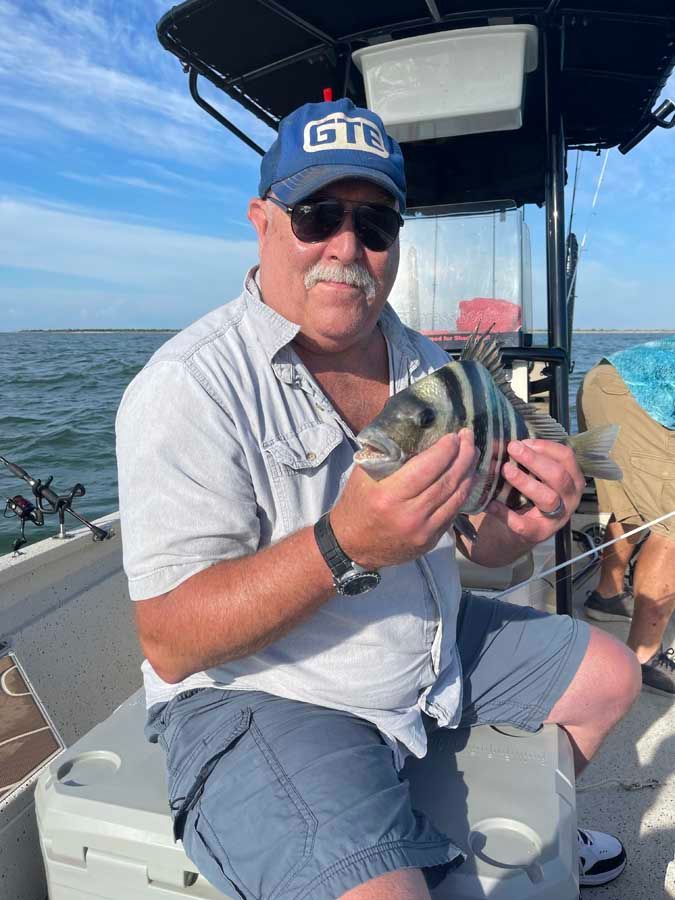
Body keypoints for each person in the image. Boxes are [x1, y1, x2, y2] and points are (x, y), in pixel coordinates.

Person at [116, 98, 641, 900]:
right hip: (267, 689)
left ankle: (546, 822)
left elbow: (479, 547)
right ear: (263, 220)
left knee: (609, 676)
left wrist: (512, 534)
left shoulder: (426, 362)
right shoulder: (189, 387)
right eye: (316, 214)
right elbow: (171, 640)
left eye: (374, 225)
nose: (345, 247)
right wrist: (345, 544)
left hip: (425, 647)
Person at [578, 337, 675, 694]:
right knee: (672, 524)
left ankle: (609, 595)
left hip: (605, 380)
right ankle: (645, 655)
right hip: (644, 394)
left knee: (629, 504)